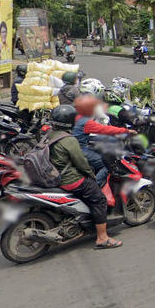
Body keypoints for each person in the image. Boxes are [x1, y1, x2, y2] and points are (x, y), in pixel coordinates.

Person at [46, 104, 122, 250]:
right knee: (99, 199)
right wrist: (92, 177)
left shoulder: (48, 134)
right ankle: (102, 238)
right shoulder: (69, 140)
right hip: (69, 180)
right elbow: (82, 164)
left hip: (52, 175)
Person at [73, 94, 135, 185]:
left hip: (75, 147)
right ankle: (95, 187)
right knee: (107, 165)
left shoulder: (76, 117)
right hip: (81, 150)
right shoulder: (86, 122)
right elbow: (104, 129)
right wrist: (126, 131)